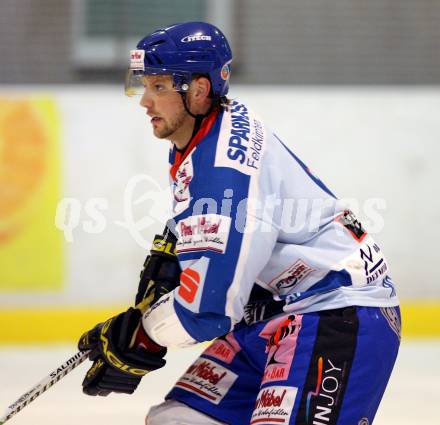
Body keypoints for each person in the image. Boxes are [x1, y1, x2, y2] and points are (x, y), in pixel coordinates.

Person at [78, 22, 401, 425]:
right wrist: (173, 255)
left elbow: (208, 312)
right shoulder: (206, 127)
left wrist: (142, 336)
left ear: (198, 90)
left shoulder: (223, 172)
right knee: (176, 420)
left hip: (336, 316)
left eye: (159, 87)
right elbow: (202, 225)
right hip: (274, 312)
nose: (145, 100)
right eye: (144, 84)